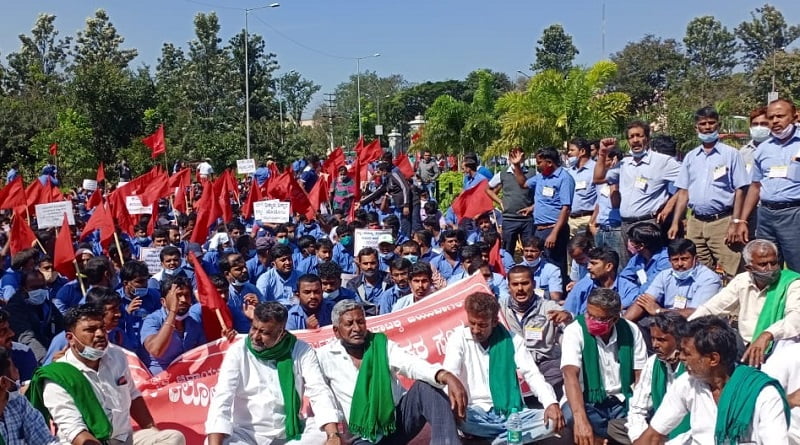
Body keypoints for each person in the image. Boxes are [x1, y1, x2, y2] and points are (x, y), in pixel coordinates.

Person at [30, 304, 185, 445]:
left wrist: (152, 430)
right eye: (90, 330)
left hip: (122, 439)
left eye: (102, 328)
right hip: (86, 442)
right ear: (71, 338)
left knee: (172, 438)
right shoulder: (58, 377)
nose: (99, 334)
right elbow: (75, 432)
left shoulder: (117, 355)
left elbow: (133, 395)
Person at [317, 300, 467, 445]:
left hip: (396, 422)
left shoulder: (380, 344)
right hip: (362, 436)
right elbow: (322, 398)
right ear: (336, 331)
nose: (356, 328)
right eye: (349, 324)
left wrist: (445, 375)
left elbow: (410, 363)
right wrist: (332, 434)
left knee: (426, 387)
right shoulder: (325, 356)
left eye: (360, 322)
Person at [634, 316, 790, 445]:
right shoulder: (687, 383)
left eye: (687, 353)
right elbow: (653, 434)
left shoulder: (763, 394)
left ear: (713, 359)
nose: (681, 357)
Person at [205, 302, 340, 444]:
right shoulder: (238, 351)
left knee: (323, 432)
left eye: (264, 333)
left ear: (281, 333)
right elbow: (222, 397)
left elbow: (318, 390)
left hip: (289, 433)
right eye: (254, 328)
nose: (256, 336)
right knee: (213, 441)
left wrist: (332, 436)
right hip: (248, 435)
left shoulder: (301, 350)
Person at [443, 291, 565, 443]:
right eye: (472, 323)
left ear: (494, 321)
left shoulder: (513, 340)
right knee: (452, 417)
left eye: (482, 325)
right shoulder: (458, 338)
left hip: (512, 413)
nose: (475, 330)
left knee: (555, 420)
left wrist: (550, 403)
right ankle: (510, 437)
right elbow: (450, 372)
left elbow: (532, 374)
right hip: (475, 413)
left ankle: (497, 439)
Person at [689, 239, 800, 367]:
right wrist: (686, 330)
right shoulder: (742, 280)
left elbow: (796, 317)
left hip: (778, 348)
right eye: (763, 264)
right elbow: (712, 308)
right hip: (744, 347)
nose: (770, 269)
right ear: (749, 268)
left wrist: (767, 334)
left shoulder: (792, 283)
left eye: (774, 263)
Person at [668, 106, 748, 278]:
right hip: (696, 222)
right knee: (700, 271)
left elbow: (741, 189)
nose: (707, 127)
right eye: (703, 124)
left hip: (722, 221)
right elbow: (683, 192)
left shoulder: (731, 154)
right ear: (696, 128)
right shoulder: (690, 157)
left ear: (718, 125)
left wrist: (736, 221)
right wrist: (676, 222)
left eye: (711, 123)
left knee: (733, 269)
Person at [561, 288, 648, 443]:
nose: (591, 321)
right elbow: (570, 375)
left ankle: (604, 438)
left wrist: (638, 411)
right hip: (588, 402)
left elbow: (641, 376)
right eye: (589, 315)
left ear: (614, 319)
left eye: (599, 319)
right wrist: (580, 419)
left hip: (622, 402)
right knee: (570, 415)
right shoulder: (574, 331)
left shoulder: (631, 330)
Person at [606, 312, 689, 445]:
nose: (655, 345)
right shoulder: (653, 363)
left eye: (661, 340)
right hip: (659, 433)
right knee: (615, 427)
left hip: (687, 436)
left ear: (679, 340)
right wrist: (639, 438)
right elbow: (637, 409)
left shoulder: (692, 368)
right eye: (653, 339)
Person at [593, 122, 681, 241]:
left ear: (647, 139)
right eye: (631, 137)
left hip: (648, 224)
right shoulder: (624, 163)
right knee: (628, 260)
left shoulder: (662, 161)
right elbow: (598, 179)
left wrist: (669, 206)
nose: (635, 140)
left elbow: (688, 182)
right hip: (626, 225)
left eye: (639, 136)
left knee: (651, 259)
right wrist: (602, 153)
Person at [739, 99, 800, 271]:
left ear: (794, 117)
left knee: (797, 266)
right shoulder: (763, 148)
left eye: (780, 116)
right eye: (771, 117)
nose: (775, 121)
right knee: (766, 266)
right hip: (766, 216)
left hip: (794, 214)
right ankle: (772, 297)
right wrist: (742, 219)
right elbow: (756, 186)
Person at [509, 147, 576, 282]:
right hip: (539, 230)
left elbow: (565, 209)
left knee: (555, 266)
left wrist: (554, 234)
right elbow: (523, 184)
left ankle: (558, 296)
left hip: (553, 230)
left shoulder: (564, 179)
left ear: (549, 162)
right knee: (541, 264)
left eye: (539, 162)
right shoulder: (541, 177)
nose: (537, 165)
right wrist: (516, 165)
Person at [499, 265, 572, 388]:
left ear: (534, 284)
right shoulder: (500, 309)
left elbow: (570, 321)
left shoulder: (547, 306)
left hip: (545, 365)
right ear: (509, 287)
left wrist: (567, 316)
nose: (520, 288)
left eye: (525, 283)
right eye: (515, 284)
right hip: (512, 366)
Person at [624, 238, 721, 322]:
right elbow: (644, 301)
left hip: (697, 326)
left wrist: (659, 311)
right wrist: (622, 324)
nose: (679, 264)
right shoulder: (664, 275)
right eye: (675, 260)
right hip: (667, 322)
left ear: (695, 259)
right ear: (669, 261)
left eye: (684, 259)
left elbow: (695, 313)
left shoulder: (709, 279)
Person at [141, 277, 206, 374]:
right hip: (160, 380)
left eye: (186, 295)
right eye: (178, 296)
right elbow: (155, 350)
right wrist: (173, 312)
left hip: (188, 379)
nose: (183, 300)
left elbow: (204, 352)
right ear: (163, 302)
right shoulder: (152, 320)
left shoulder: (193, 322)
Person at [0, 346, 60, 444]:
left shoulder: (19, 404)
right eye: (14, 368)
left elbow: (45, 442)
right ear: (3, 382)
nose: (18, 374)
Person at [7, 269, 65, 363]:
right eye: (34, 288)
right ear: (24, 289)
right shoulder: (15, 308)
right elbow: (26, 338)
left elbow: (62, 326)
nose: (39, 291)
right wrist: (46, 361)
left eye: (42, 287)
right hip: (31, 357)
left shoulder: (47, 304)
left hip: (52, 351)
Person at [486, 149, 535, 254]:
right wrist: (499, 201)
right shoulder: (503, 174)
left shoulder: (532, 173)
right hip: (509, 218)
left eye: (519, 155)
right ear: (509, 158)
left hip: (527, 218)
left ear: (523, 157)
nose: (516, 158)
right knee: (507, 250)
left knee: (530, 249)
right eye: (512, 155)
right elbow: (488, 189)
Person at [564, 247, 640, 315]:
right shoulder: (582, 286)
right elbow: (568, 313)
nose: (588, 267)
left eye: (594, 263)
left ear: (609, 267)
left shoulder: (629, 290)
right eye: (589, 263)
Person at [360, 162, 413, 236]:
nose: (377, 174)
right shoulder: (386, 180)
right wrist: (362, 202)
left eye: (379, 171)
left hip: (411, 202)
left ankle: (407, 241)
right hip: (401, 204)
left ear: (384, 171)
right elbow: (377, 192)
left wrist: (406, 205)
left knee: (411, 223)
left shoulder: (394, 174)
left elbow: (405, 188)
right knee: (404, 223)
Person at [619, 222, 670, 295]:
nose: (628, 243)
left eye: (631, 241)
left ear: (641, 246)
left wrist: (632, 295)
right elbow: (624, 278)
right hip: (637, 295)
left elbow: (651, 286)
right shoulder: (637, 258)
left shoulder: (665, 259)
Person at [220, 252, 261, 333]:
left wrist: (259, 306)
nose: (245, 270)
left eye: (244, 266)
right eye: (239, 269)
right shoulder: (224, 294)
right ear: (227, 274)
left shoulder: (251, 288)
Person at [567, 138, 598, 236]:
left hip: (587, 219)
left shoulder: (596, 169)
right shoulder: (570, 171)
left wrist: (592, 222)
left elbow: (601, 199)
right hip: (570, 220)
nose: (569, 153)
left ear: (582, 151)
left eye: (572, 150)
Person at [517, 236, 564, 302]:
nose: (529, 254)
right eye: (526, 251)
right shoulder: (515, 271)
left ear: (541, 253)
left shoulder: (552, 270)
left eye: (533, 251)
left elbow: (556, 297)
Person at [345, 248, 390, 316]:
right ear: (360, 265)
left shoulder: (390, 279)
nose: (369, 267)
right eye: (365, 264)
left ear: (378, 263)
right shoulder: (353, 284)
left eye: (372, 263)